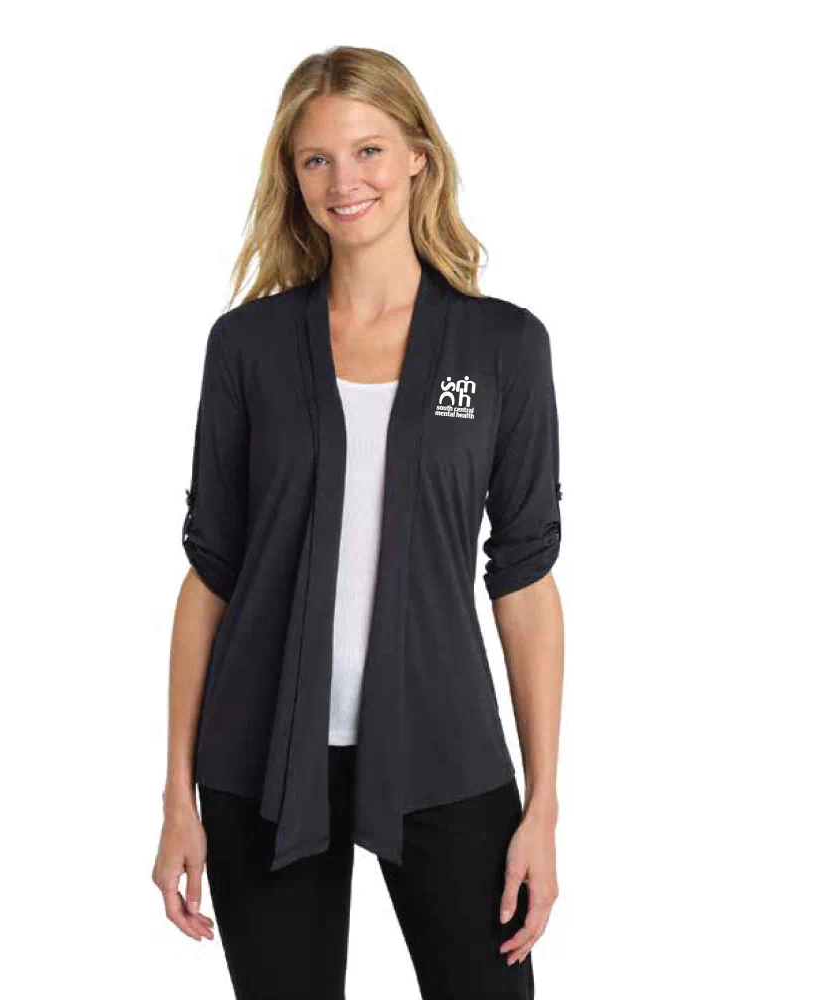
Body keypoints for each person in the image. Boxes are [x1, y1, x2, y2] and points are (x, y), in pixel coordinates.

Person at [152, 45, 564, 999]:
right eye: (317, 159)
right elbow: (211, 573)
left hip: (445, 749)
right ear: (293, 178)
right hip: (259, 759)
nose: (346, 182)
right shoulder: (247, 347)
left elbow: (524, 578)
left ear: (418, 156)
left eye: (368, 150)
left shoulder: (504, 346)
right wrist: (177, 793)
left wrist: (542, 804)